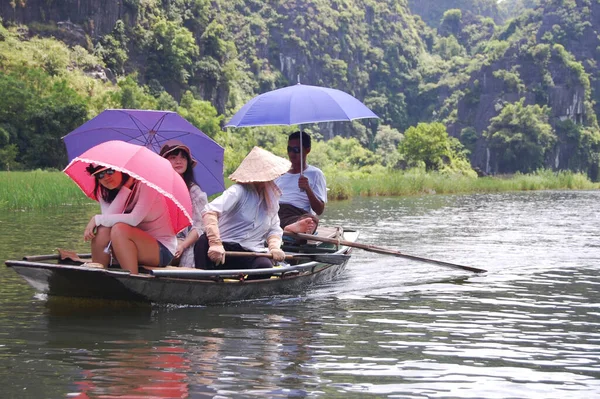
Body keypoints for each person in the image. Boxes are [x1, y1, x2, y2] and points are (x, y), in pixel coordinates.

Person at [193, 146, 289, 271]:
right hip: (223, 250)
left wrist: (274, 247)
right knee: (202, 242)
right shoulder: (239, 191)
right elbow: (210, 211)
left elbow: (274, 229)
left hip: (251, 252)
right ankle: (206, 281)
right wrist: (215, 243)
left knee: (264, 266)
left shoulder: (270, 199)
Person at [83, 164, 176, 274]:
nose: (106, 177)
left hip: (160, 249)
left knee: (119, 229)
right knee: (102, 230)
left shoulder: (146, 184)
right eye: (100, 175)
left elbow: (134, 219)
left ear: (121, 169)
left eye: (110, 171)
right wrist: (125, 189)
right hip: (125, 244)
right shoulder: (103, 192)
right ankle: (98, 276)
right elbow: (107, 220)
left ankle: (132, 279)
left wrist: (96, 219)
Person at [160, 140, 208, 266]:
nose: (179, 161)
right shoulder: (155, 189)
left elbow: (200, 226)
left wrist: (183, 245)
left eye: (183, 157)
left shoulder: (194, 192)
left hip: (184, 241)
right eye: (173, 157)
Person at [275, 131, 327, 234]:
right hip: (276, 213)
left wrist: (307, 189)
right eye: (289, 149)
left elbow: (319, 210)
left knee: (311, 221)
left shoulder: (315, 174)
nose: (292, 154)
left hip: (297, 215)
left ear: (307, 150)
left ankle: (292, 229)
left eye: (296, 150)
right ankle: (290, 230)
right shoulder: (279, 173)